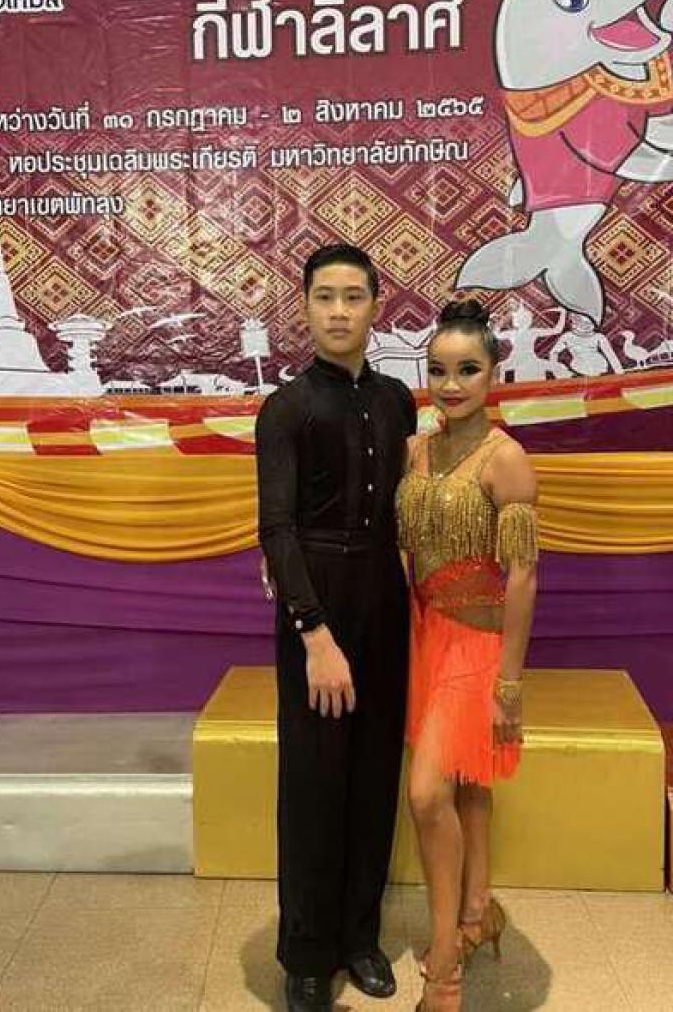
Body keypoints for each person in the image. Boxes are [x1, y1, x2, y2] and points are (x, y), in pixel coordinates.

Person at [256, 244, 417, 1012]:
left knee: (374, 773)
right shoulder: (286, 409)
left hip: (384, 594)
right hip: (316, 603)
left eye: (354, 296)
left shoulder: (397, 401)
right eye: (325, 296)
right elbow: (276, 529)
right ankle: (307, 953)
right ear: (305, 305)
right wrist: (314, 634)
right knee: (314, 781)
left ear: (376, 305)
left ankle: (360, 937)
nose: (340, 311)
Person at [396, 299, 539, 1012]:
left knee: (428, 793)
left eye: (467, 370)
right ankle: (479, 911)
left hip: (477, 645)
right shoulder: (417, 449)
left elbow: (523, 576)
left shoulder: (505, 458)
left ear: (493, 375)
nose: (450, 385)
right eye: (438, 370)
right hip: (424, 635)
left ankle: (446, 960)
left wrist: (508, 683)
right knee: (466, 785)